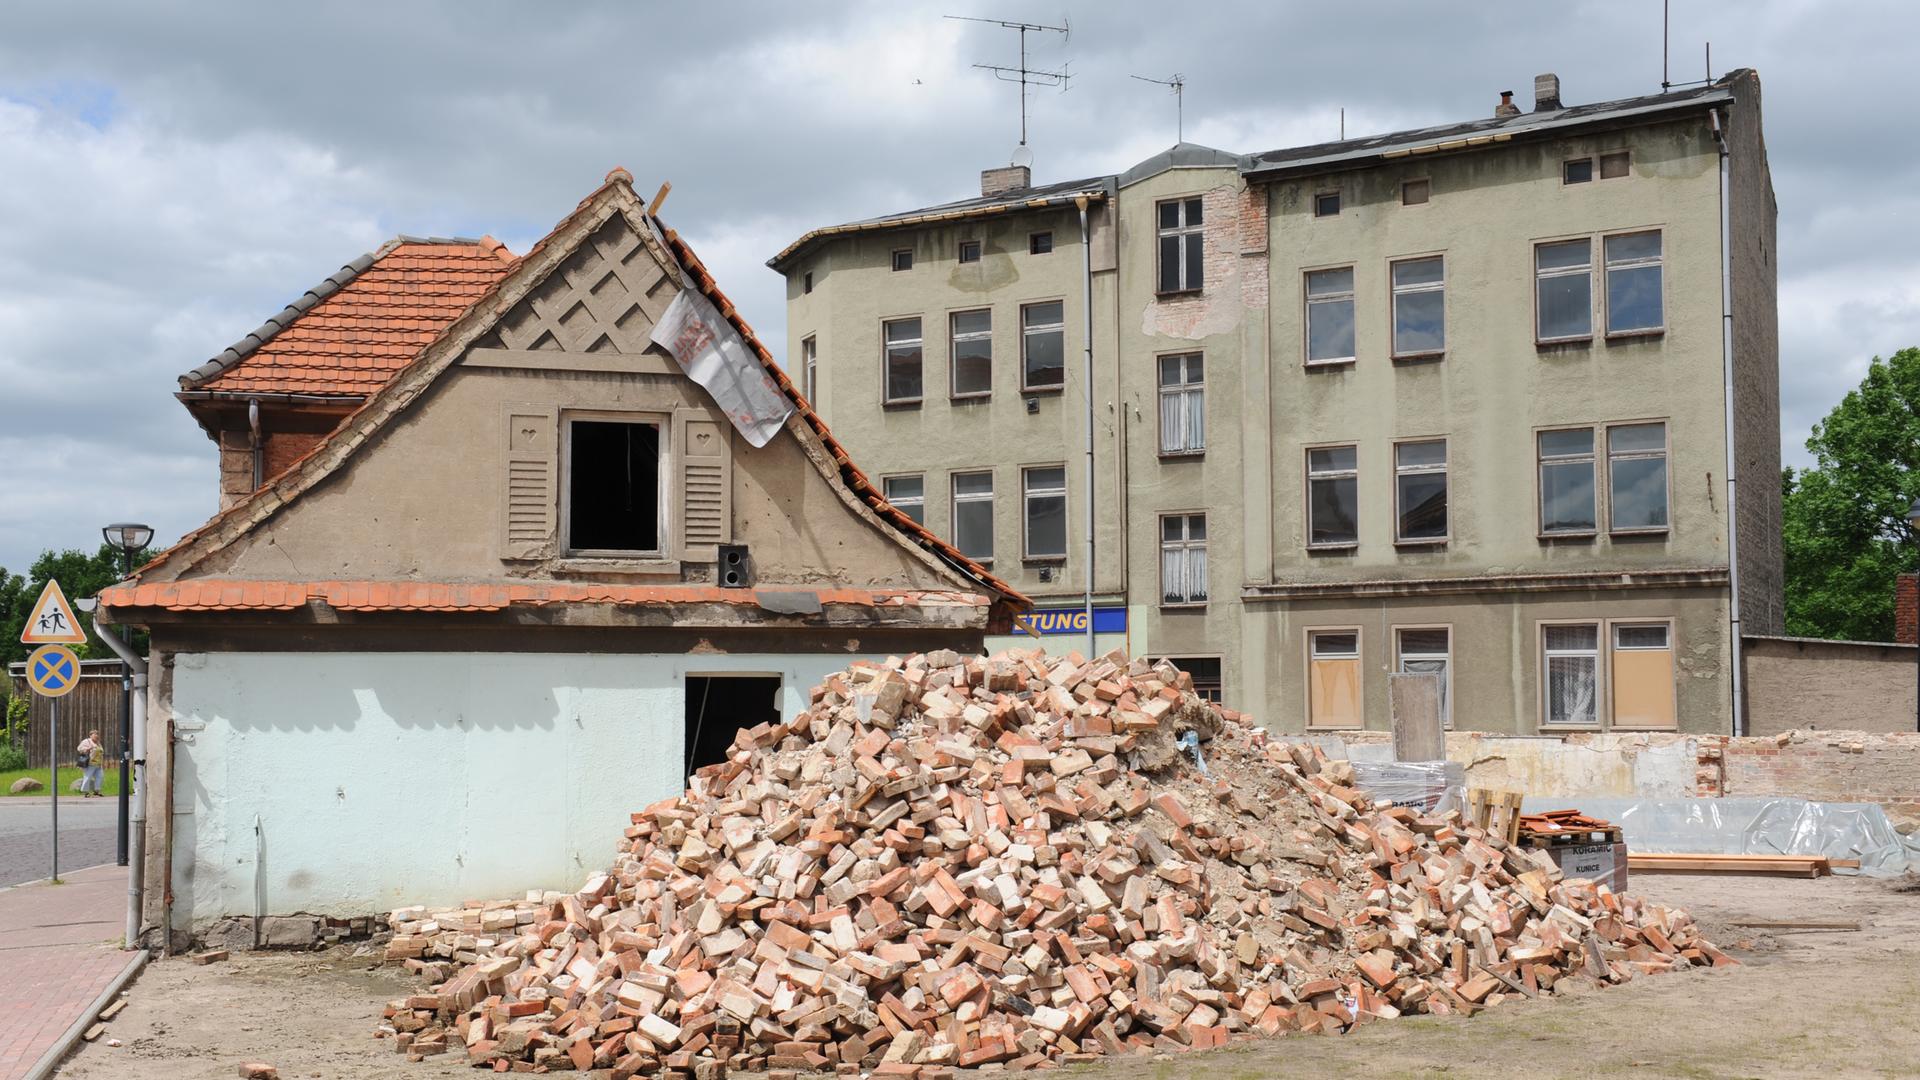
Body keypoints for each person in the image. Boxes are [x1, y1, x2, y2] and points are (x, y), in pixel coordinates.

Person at [77, 730, 105, 797]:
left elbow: (101, 751)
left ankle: (96, 791)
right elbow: (79, 748)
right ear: (90, 735)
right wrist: (88, 748)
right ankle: (85, 792)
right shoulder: (87, 741)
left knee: (100, 777)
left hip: (98, 764)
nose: (96, 736)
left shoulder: (98, 743)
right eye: (94, 734)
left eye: (97, 734)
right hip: (90, 763)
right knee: (87, 777)